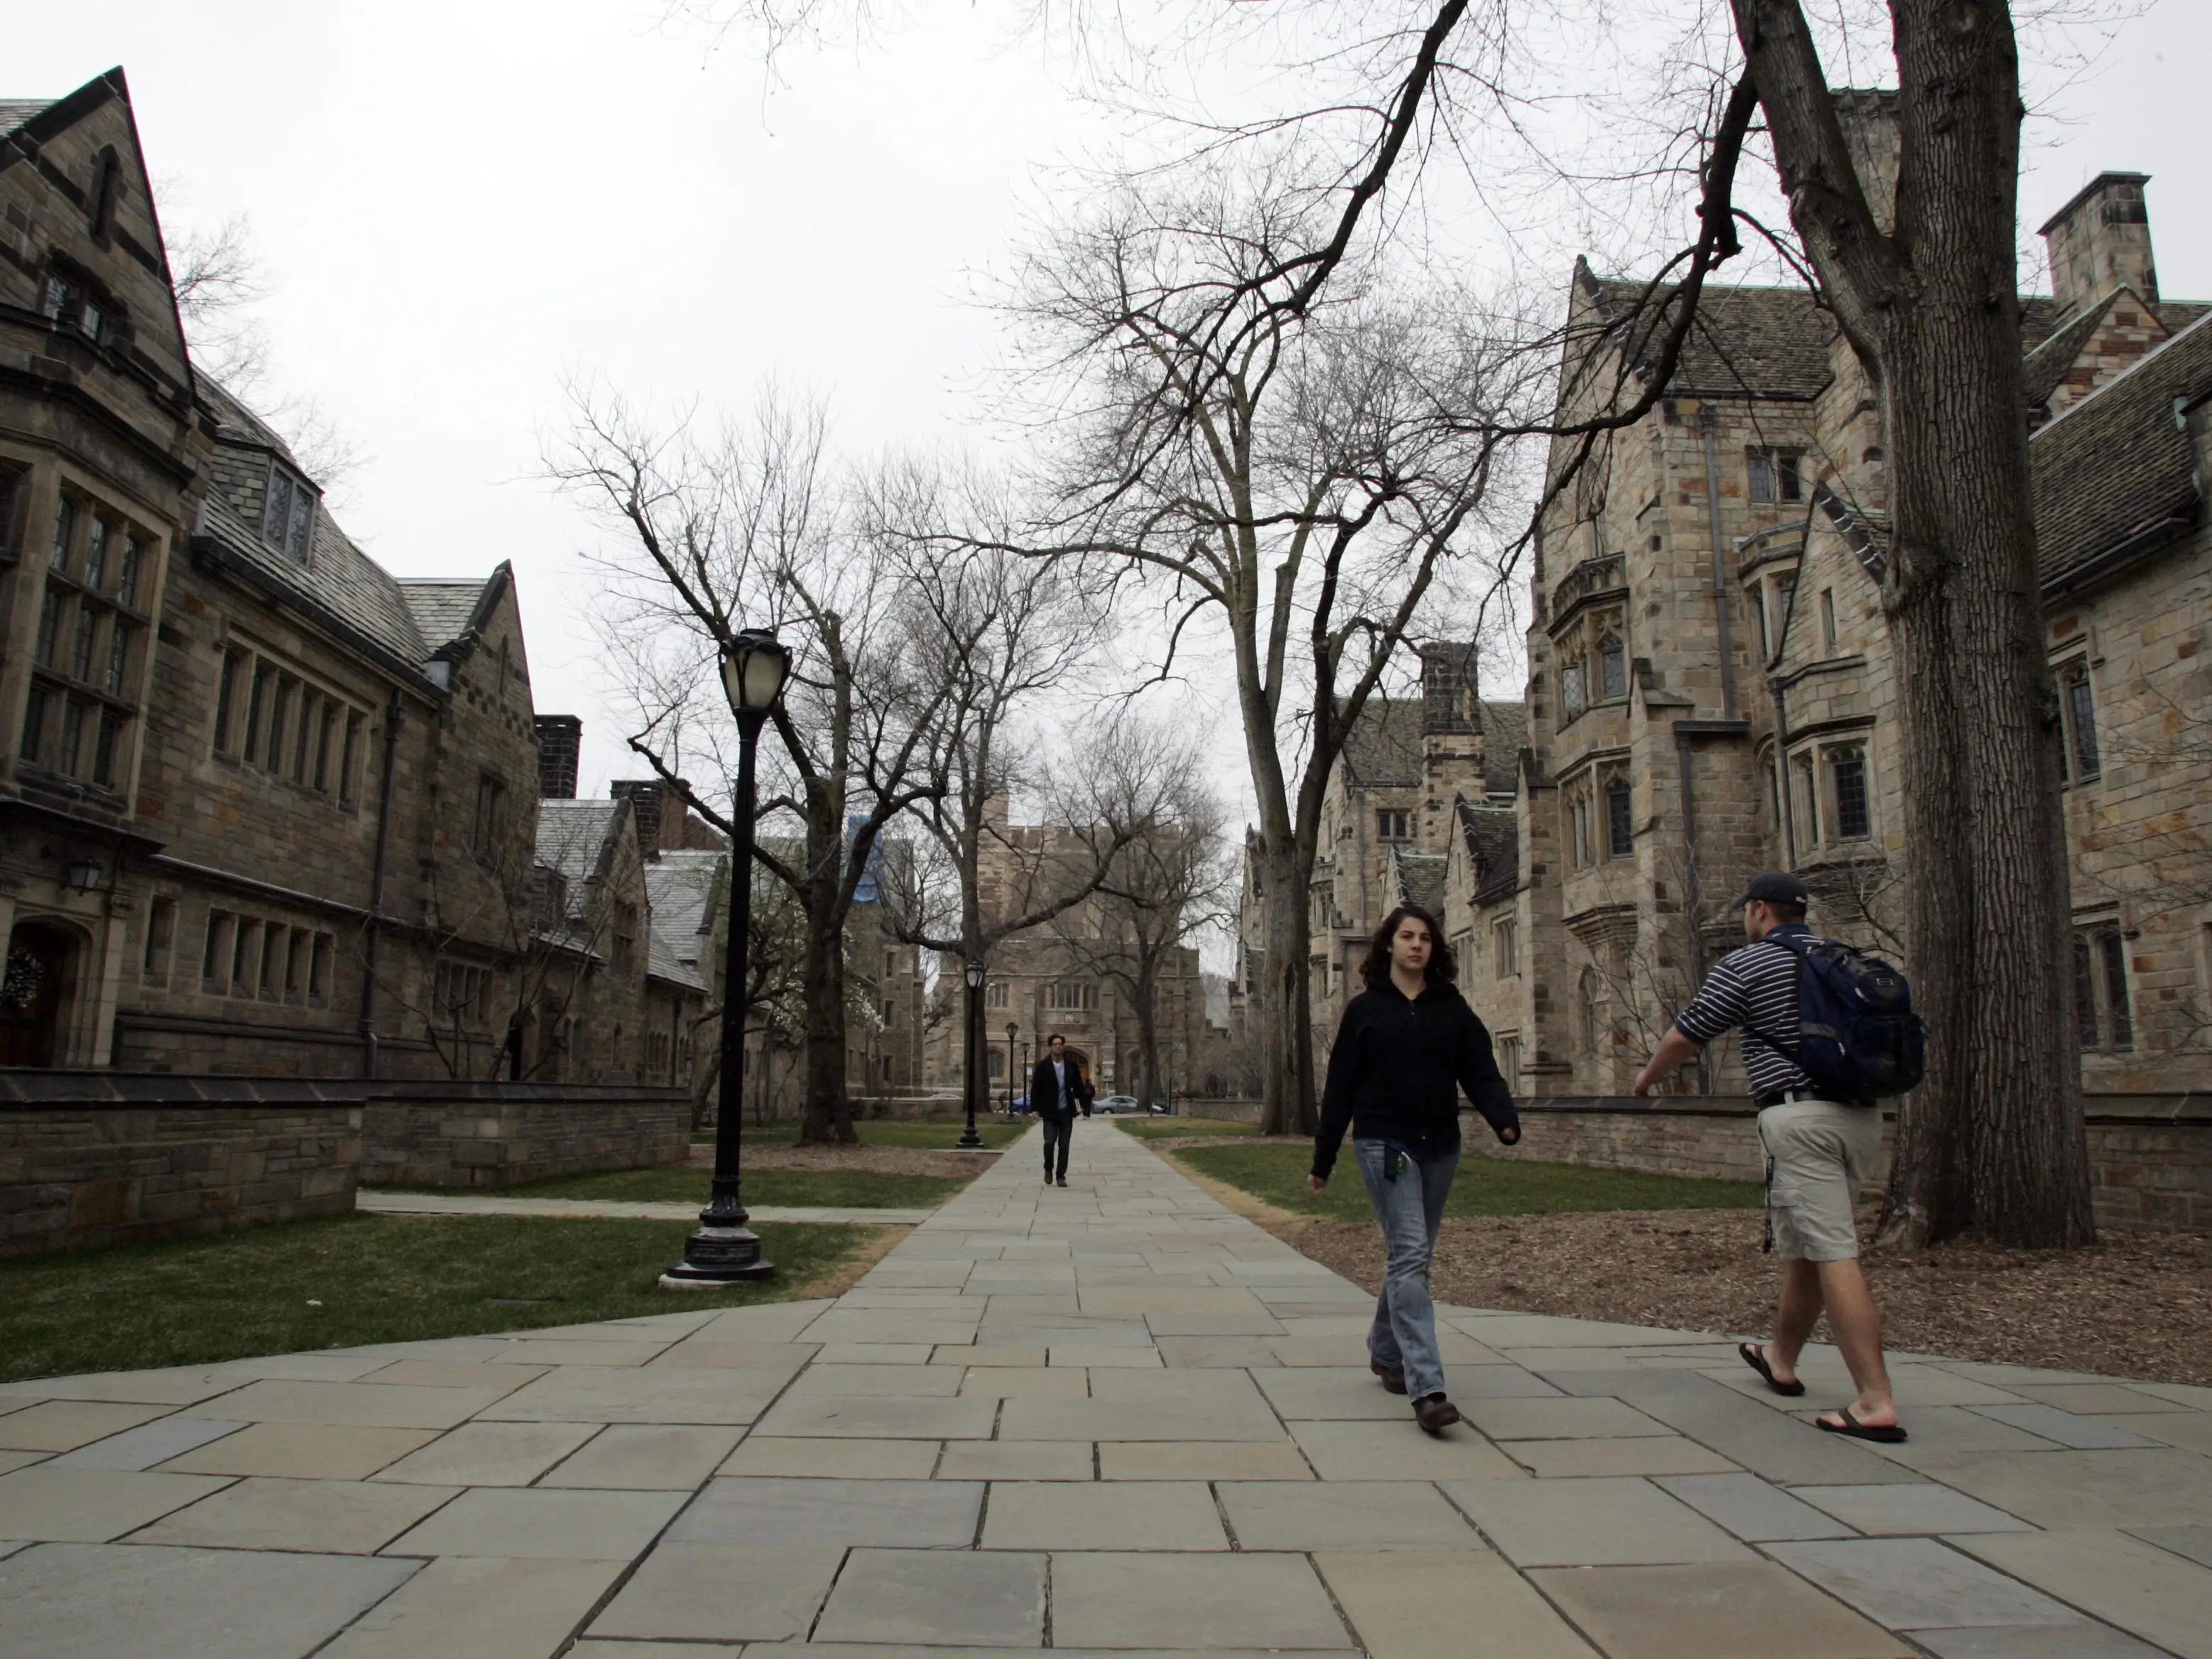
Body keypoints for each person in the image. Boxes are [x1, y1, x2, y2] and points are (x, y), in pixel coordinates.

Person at [1631, 871, 1905, 1442]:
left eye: (1744, 912)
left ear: (1758, 910)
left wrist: (1647, 1079)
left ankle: (1875, 1400)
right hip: (1860, 1118)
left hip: (1799, 1118)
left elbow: (1688, 1034)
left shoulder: (1749, 962)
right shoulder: (1839, 954)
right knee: (1805, 1244)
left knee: (1832, 1250)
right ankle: (1780, 1359)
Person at [1311, 904, 1521, 1435]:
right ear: (1387, 945)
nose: (1415, 945)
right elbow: (1339, 1090)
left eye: (1425, 938)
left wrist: (1503, 1120)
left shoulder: (1451, 1007)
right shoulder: (1365, 1011)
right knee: (1408, 1255)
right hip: (1386, 1145)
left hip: (1439, 1146)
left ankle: (1384, 1350)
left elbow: (1480, 1068)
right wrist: (1323, 1159)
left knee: (1413, 1256)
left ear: (1434, 948)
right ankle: (1426, 1387)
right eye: (1406, 936)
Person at [1029, 1032, 1079, 1187]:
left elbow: (1079, 1087)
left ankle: (1060, 1176)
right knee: (1049, 1142)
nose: (1058, 1046)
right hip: (1050, 1112)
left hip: (1066, 1112)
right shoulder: (1043, 1066)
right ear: (1050, 1046)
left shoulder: (1071, 1066)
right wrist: (1035, 1109)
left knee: (1064, 1145)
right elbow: (1036, 1088)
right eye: (1056, 1044)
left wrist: (1083, 1104)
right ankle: (1048, 1168)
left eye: (1060, 1044)